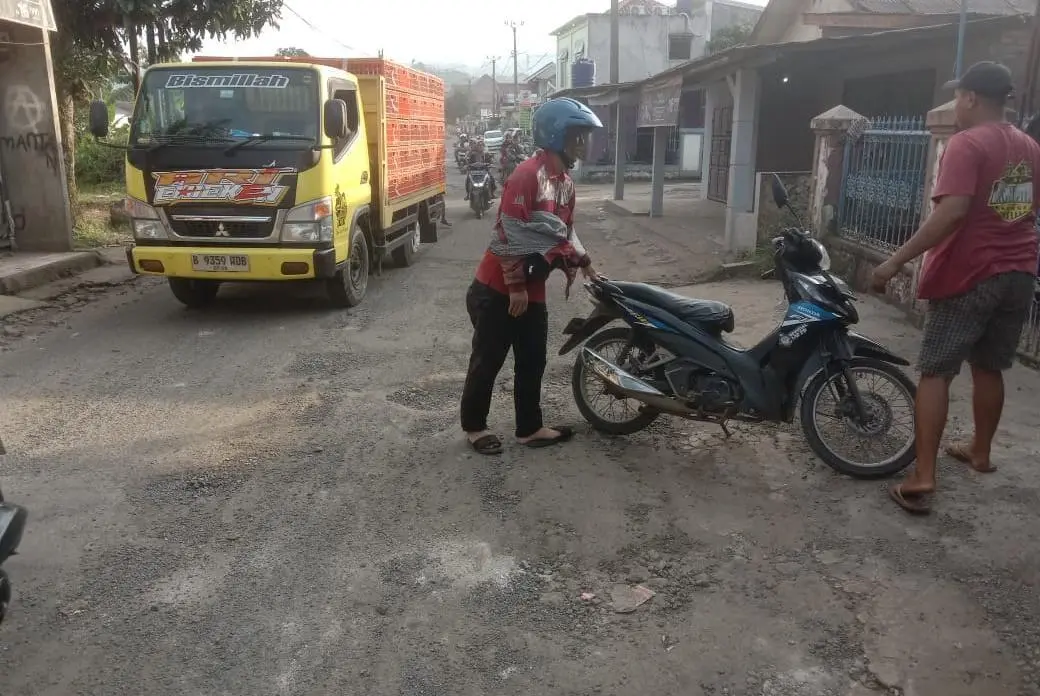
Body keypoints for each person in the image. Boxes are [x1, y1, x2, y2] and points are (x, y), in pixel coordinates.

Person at [871, 62, 1040, 514]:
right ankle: (980, 453)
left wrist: (892, 263)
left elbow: (952, 213)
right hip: (1019, 272)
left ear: (969, 98)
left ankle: (923, 476)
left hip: (971, 273)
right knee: (990, 366)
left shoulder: (967, 143)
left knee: (935, 371)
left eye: (959, 97)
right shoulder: (1029, 147)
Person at [459, 97, 604, 455]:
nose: (583, 144)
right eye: (578, 136)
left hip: (532, 287)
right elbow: (507, 232)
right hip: (498, 288)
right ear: (557, 135)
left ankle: (529, 428)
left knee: (532, 359)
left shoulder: (564, 183)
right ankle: (475, 428)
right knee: (488, 360)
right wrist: (516, 286)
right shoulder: (526, 175)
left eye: (585, 136)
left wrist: (584, 261)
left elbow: (563, 232)